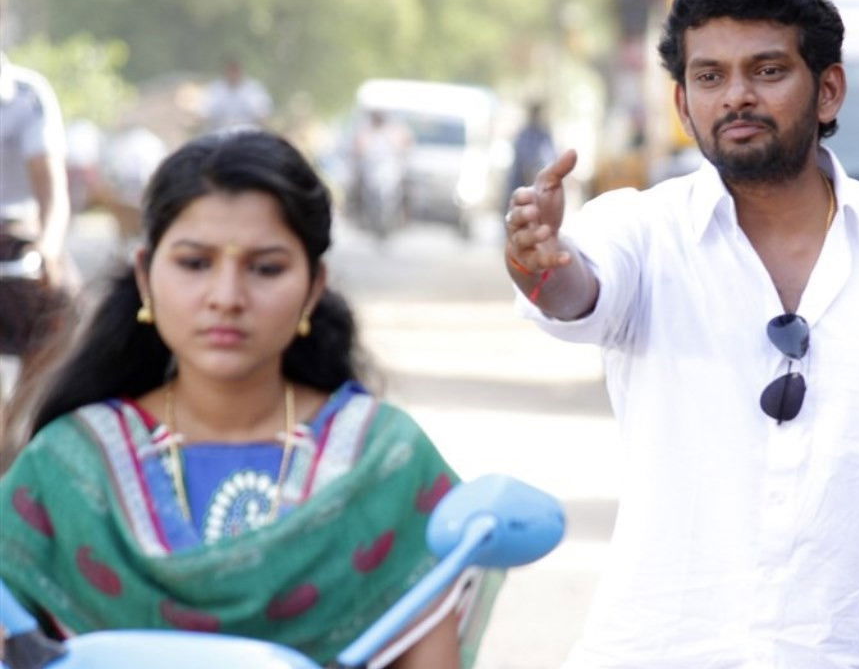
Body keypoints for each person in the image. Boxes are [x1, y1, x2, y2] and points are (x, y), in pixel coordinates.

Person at [504, 0, 859, 668]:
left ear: (828, 90)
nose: (737, 95)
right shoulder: (641, 230)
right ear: (682, 106)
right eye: (710, 76)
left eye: (767, 71)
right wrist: (537, 262)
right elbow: (575, 291)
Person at [0, 130, 499, 668]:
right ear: (145, 277)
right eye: (195, 263)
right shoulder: (67, 467)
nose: (227, 297)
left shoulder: (386, 464)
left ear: (314, 287)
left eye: (266, 268)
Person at [0, 52, 74, 470]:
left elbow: (52, 191)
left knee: (66, 308)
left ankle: (22, 421)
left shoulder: (27, 95)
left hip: (18, 236)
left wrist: (48, 247)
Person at [201, 58, 273, 133]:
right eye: (230, 71)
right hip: (220, 133)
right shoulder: (215, 89)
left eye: (235, 71)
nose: (233, 74)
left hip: (248, 134)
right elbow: (205, 112)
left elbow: (262, 113)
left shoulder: (253, 89)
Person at [506, 102, 556, 204]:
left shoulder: (544, 134)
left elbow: (550, 156)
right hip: (521, 181)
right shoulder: (524, 134)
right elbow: (522, 156)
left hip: (537, 181)